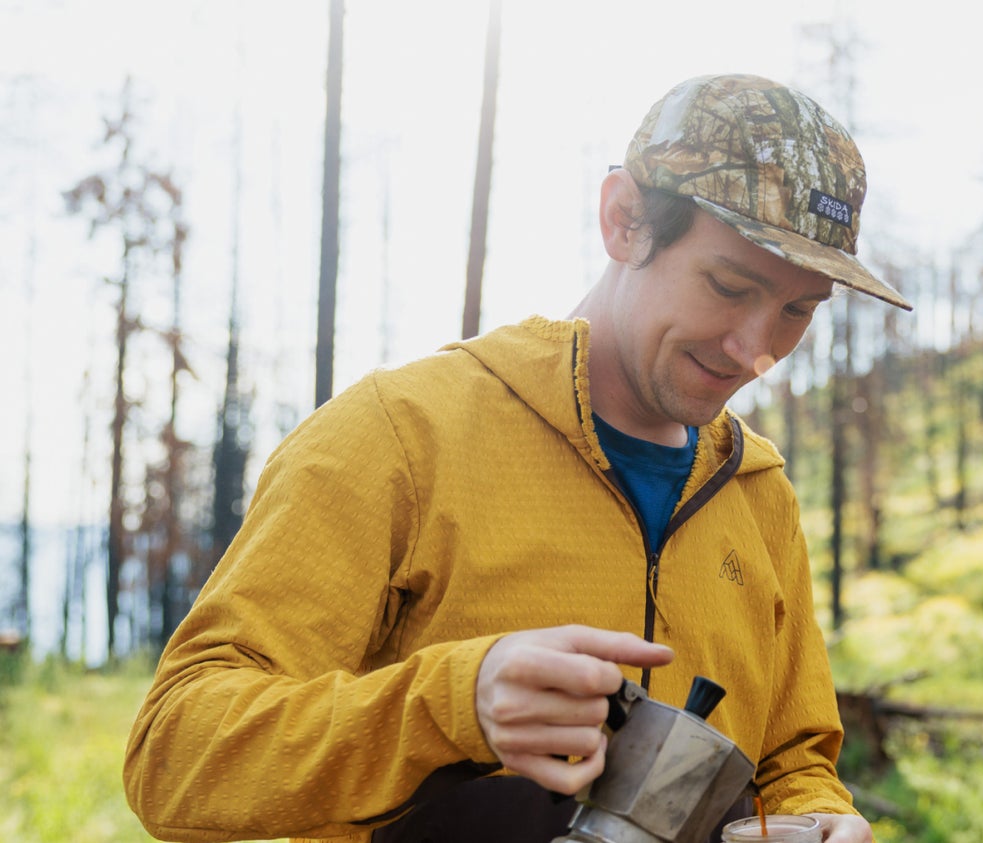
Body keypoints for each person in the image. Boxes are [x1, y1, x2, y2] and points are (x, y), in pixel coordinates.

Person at [122, 74, 908, 843]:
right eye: (729, 284)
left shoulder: (757, 493)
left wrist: (816, 813)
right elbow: (175, 755)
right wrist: (455, 702)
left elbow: (791, 758)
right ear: (624, 219)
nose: (756, 350)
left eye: (798, 310)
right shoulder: (398, 433)